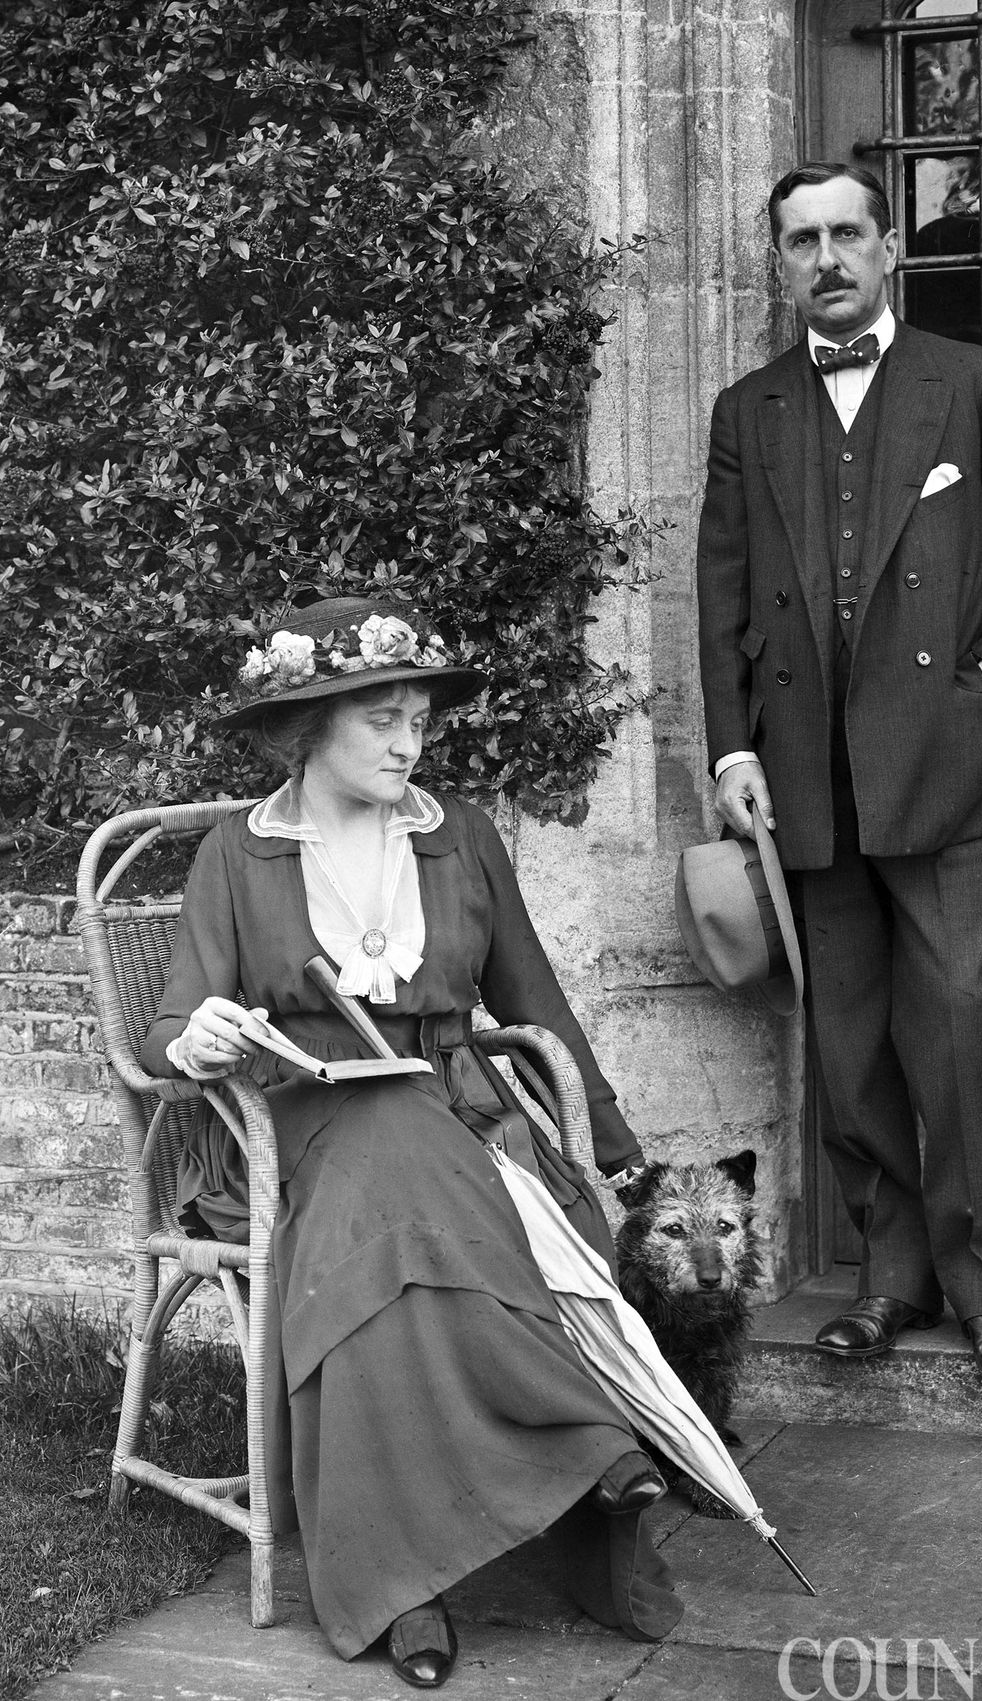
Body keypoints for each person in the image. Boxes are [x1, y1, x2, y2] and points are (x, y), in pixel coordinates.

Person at [139, 595, 682, 1689]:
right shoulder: (236, 859)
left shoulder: (460, 835)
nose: (407, 742)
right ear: (308, 729)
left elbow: (533, 998)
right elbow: (165, 1030)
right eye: (381, 718)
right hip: (292, 1124)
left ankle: (403, 1585)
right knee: (386, 1154)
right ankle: (583, 1444)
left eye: (418, 721)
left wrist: (608, 1147)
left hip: (453, 1115)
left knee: (394, 1216)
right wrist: (196, 1037)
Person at [695, 161, 982, 1385]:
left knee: (960, 1030)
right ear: (778, 262)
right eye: (800, 240)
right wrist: (731, 747)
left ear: (887, 252)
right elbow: (717, 598)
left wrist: (980, 688)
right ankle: (886, 1279)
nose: (825, 258)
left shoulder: (973, 385)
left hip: (946, 772)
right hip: (806, 775)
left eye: (846, 235)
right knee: (849, 1040)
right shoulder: (747, 408)